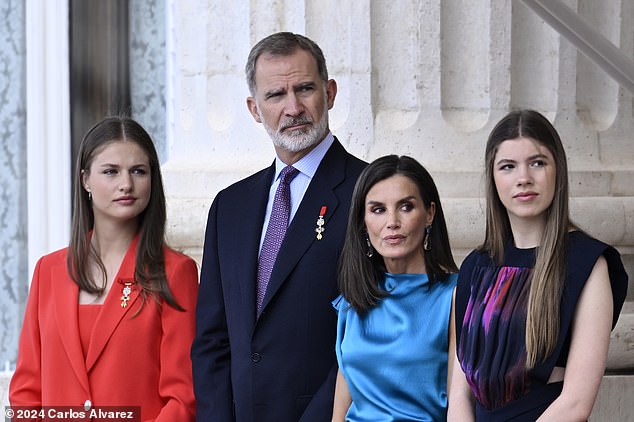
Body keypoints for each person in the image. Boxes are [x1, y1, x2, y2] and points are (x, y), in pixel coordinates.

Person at [191, 32, 366, 422]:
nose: (293, 107)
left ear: (330, 92)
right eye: (275, 95)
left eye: (305, 89)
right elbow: (212, 340)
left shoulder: (368, 194)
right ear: (254, 108)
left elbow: (370, 336)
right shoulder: (229, 206)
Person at [10, 116, 198, 421]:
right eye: (111, 171)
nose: (126, 184)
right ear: (85, 180)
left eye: (138, 171)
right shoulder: (48, 271)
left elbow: (183, 398)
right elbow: (26, 393)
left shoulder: (175, 273)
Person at [448, 110, 628, 421]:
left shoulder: (587, 263)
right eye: (508, 166)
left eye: (537, 162)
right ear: (493, 178)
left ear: (557, 170)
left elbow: (576, 403)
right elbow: (460, 393)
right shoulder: (475, 267)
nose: (524, 178)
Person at [332, 155, 459, 421]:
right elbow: (340, 412)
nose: (392, 222)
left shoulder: (454, 296)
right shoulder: (353, 299)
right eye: (378, 209)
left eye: (405, 207)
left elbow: (459, 403)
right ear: (363, 223)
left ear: (429, 214)